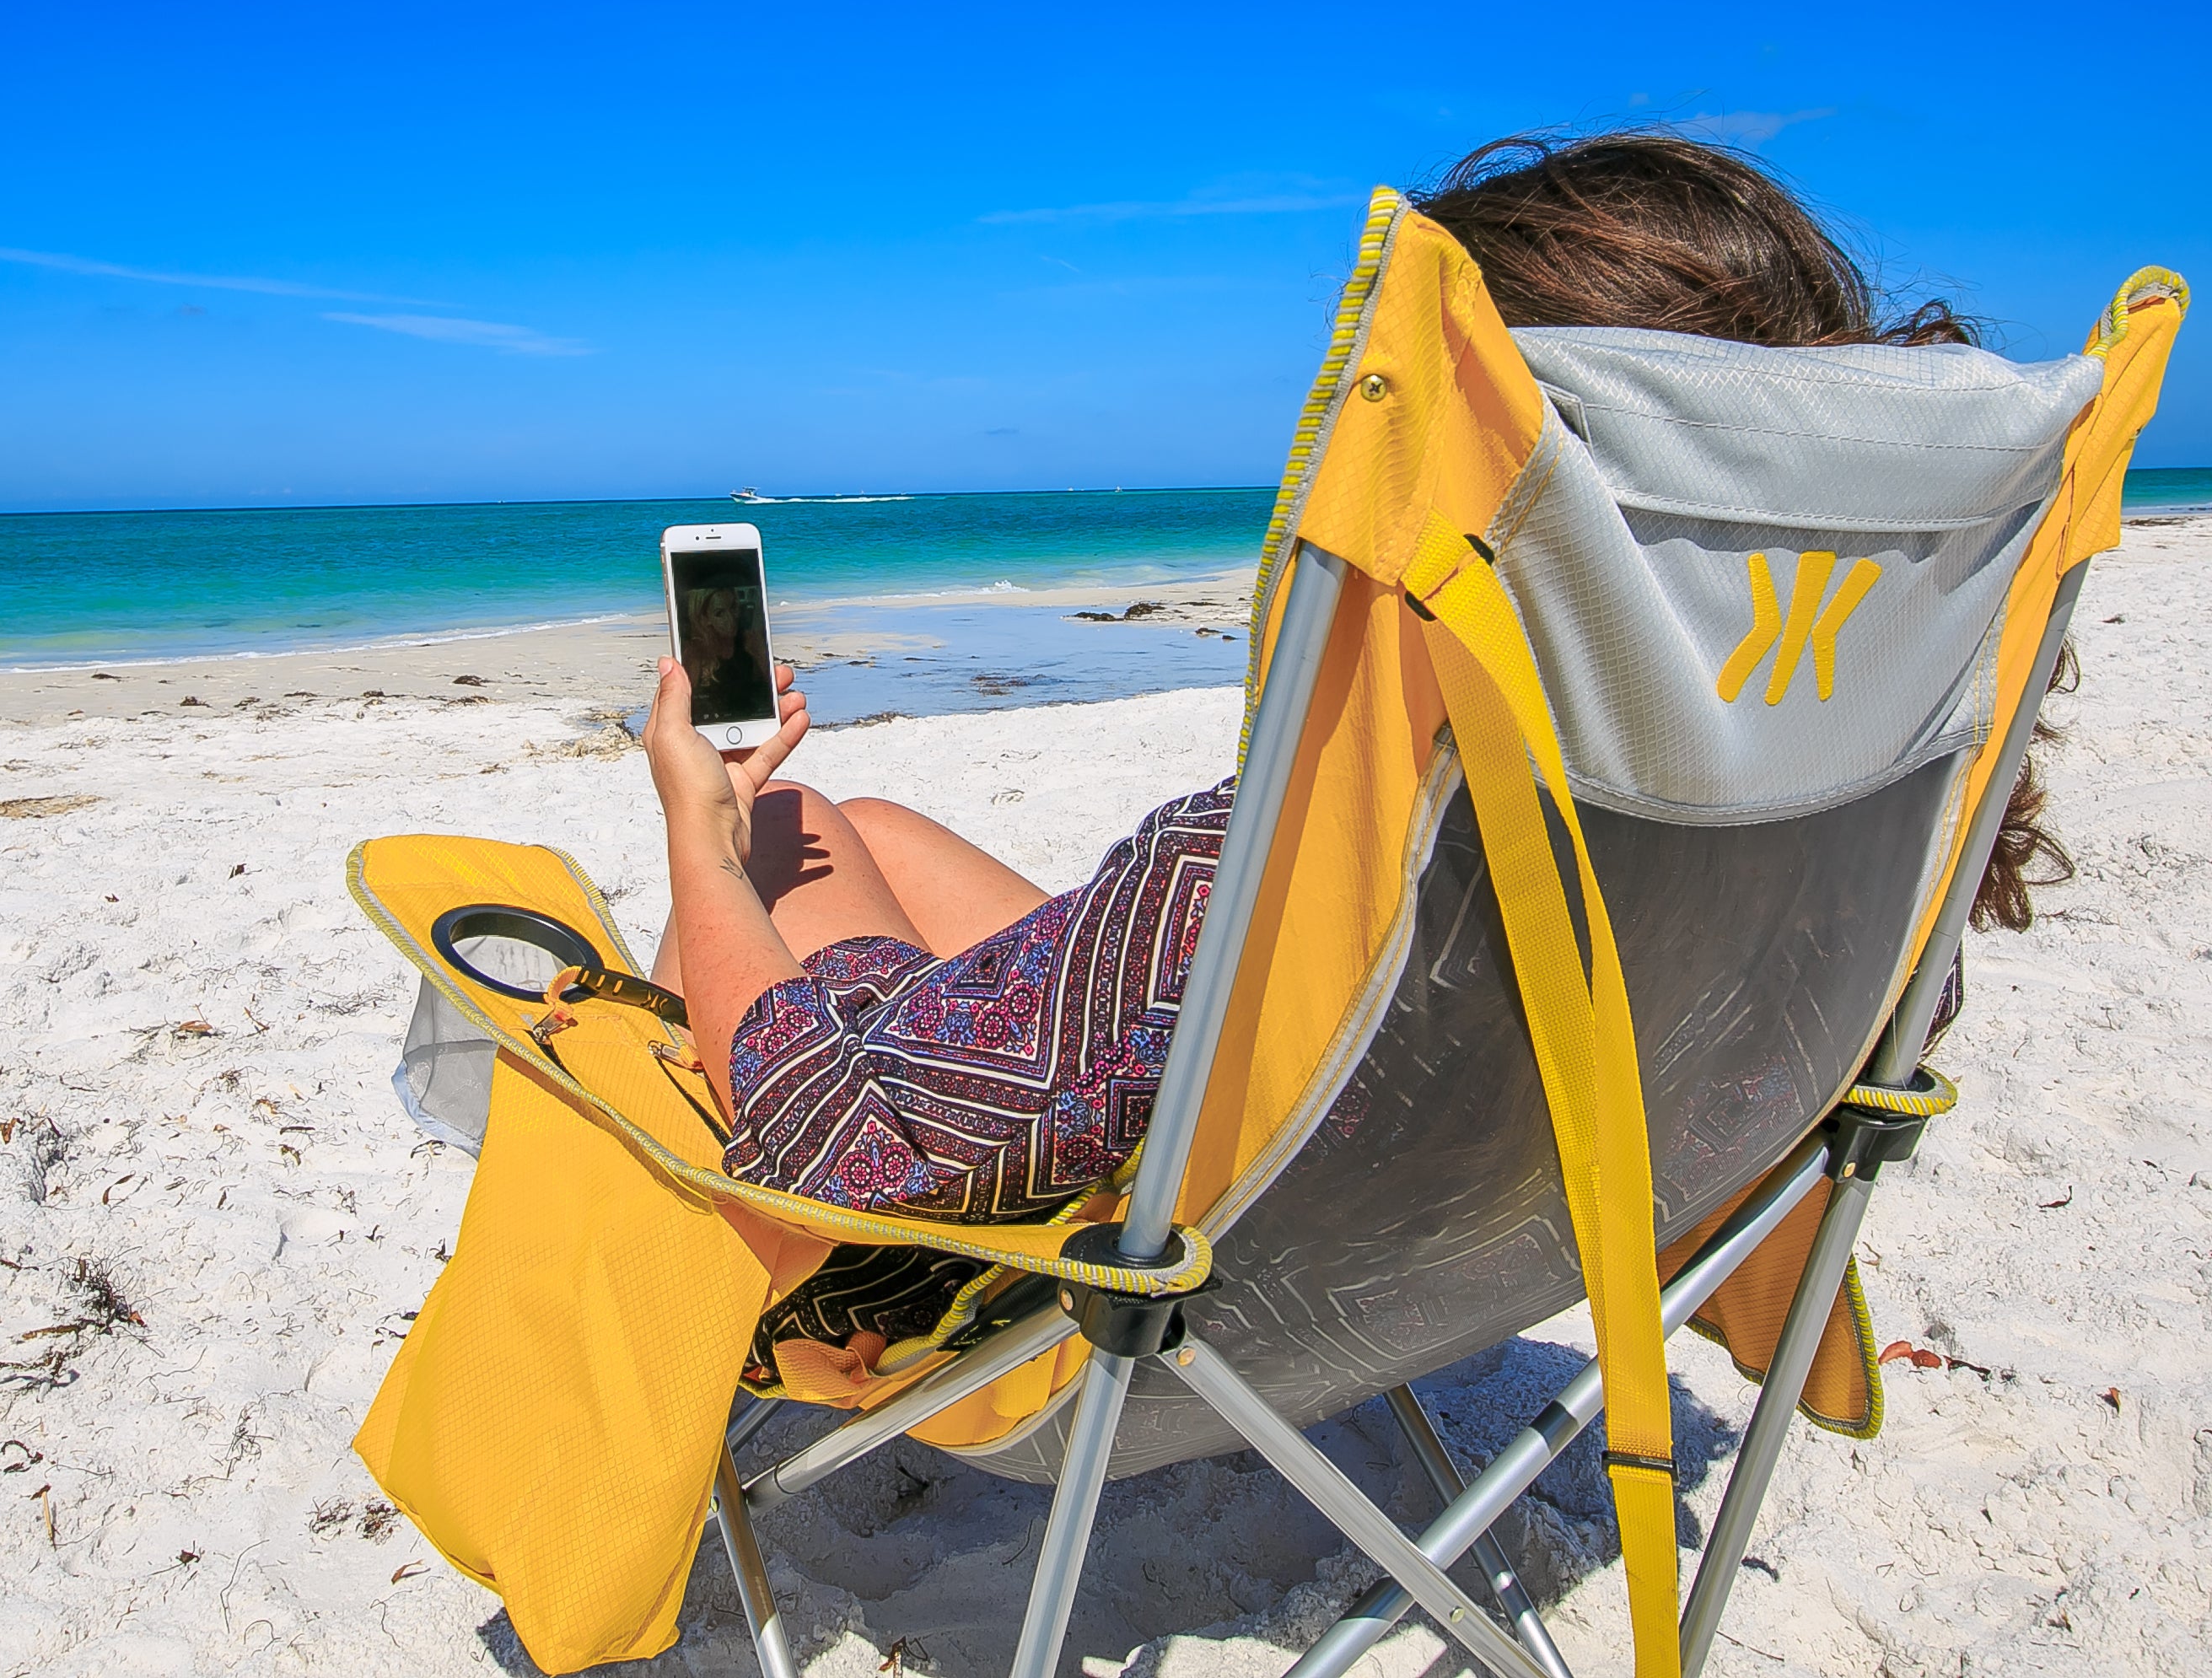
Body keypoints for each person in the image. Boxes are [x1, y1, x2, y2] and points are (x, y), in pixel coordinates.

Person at [643, 132, 2073, 1248]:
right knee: (860, 820)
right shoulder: (1855, 836)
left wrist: (696, 846)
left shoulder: (1297, 862)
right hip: (1449, 1197)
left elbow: (854, 1152)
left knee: (768, 841)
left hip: (1110, 1236)